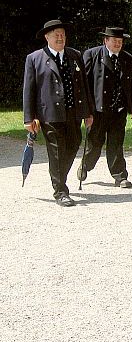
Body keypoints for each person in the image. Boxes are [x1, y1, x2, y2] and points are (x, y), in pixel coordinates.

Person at [23, 20, 94, 207]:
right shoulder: (35, 58)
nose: (60, 37)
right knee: (55, 151)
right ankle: (60, 190)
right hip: (49, 114)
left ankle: (60, 178)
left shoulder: (75, 55)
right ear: (47, 37)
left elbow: (84, 86)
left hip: (73, 112)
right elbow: (28, 90)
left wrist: (88, 112)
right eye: (56, 34)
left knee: (73, 144)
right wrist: (29, 118)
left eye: (62, 34)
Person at [78, 27, 132, 188]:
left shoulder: (127, 59)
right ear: (105, 41)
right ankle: (85, 165)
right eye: (115, 40)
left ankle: (120, 176)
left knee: (116, 143)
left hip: (119, 110)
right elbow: (84, 84)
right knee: (95, 143)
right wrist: (85, 109)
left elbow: (130, 85)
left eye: (120, 41)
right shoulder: (92, 55)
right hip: (98, 110)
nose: (118, 44)